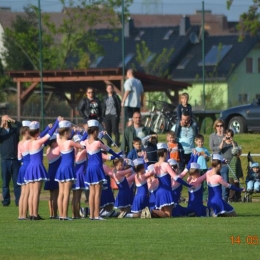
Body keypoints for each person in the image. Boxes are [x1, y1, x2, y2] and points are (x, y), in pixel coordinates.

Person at [83, 119, 122, 220]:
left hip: (89, 169)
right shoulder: (98, 143)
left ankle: (91, 215)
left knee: (92, 193)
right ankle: (96, 215)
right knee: (97, 193)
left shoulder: (86, 142)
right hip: (97, 169)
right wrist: (119, 154)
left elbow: (83, 139)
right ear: (95, 131)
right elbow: (109, 150)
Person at [24, 119, 59, 220]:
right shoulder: (38, 142)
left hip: (30, 167)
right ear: (37, 132)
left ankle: (31, 214)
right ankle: (35, 214)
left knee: (31, 193)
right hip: (37, 167)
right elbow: (48, 135)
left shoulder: (30, 142)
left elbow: (42, 135)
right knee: (36, 193)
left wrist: (48, 128)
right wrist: (56, 122)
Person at [55, 121, 85, 220]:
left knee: (61, 193)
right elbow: (81, 146)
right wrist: (82, 134)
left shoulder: (59, 141)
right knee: (67, 192)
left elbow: (59, 135)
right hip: (68, 168)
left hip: (61, 168)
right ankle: (64, 215)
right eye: (70, 131)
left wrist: (58, 122)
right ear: (66, 132)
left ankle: (61, 215)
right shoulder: (70, 142)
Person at [0, 115, 22, 207]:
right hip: (5, 160)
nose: (6, 121)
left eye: (7, 119)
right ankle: (6, 201)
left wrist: (13, 120)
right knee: (5, 183)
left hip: (15, 160)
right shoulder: (1, 132)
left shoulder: (14, 131)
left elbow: (21, 127)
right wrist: (2, 124)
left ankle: (18, 201)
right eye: (5, 120)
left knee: (17, 182)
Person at [219, 129, 239, 202]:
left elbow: (236, 151)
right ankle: (224, 197)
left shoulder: (234, 143)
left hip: (232, 165)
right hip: (224, 165)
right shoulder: (223, 143)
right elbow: (219, 149)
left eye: (230, 136)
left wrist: (232, 142)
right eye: (227, 135)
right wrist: (223, 141)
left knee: (232, 182)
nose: (228, 137)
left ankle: (232, 197)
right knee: (224, 181)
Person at [44, 133, 61, 219]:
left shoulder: (48, 150)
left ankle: (51, 213)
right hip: (55, 173)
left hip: (49, 173)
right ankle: (54, 214)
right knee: (55, 195)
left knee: (51, 195)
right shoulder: (57, 149)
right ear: (54, 142)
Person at [17, 121, 31, 219]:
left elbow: (19, 158)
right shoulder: (28, 142)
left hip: (22, 167)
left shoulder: (19, 143)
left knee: (22, 193)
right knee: (27, 193)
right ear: (26, 132)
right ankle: (25, 214)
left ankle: (21, 215)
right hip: (28, 168)